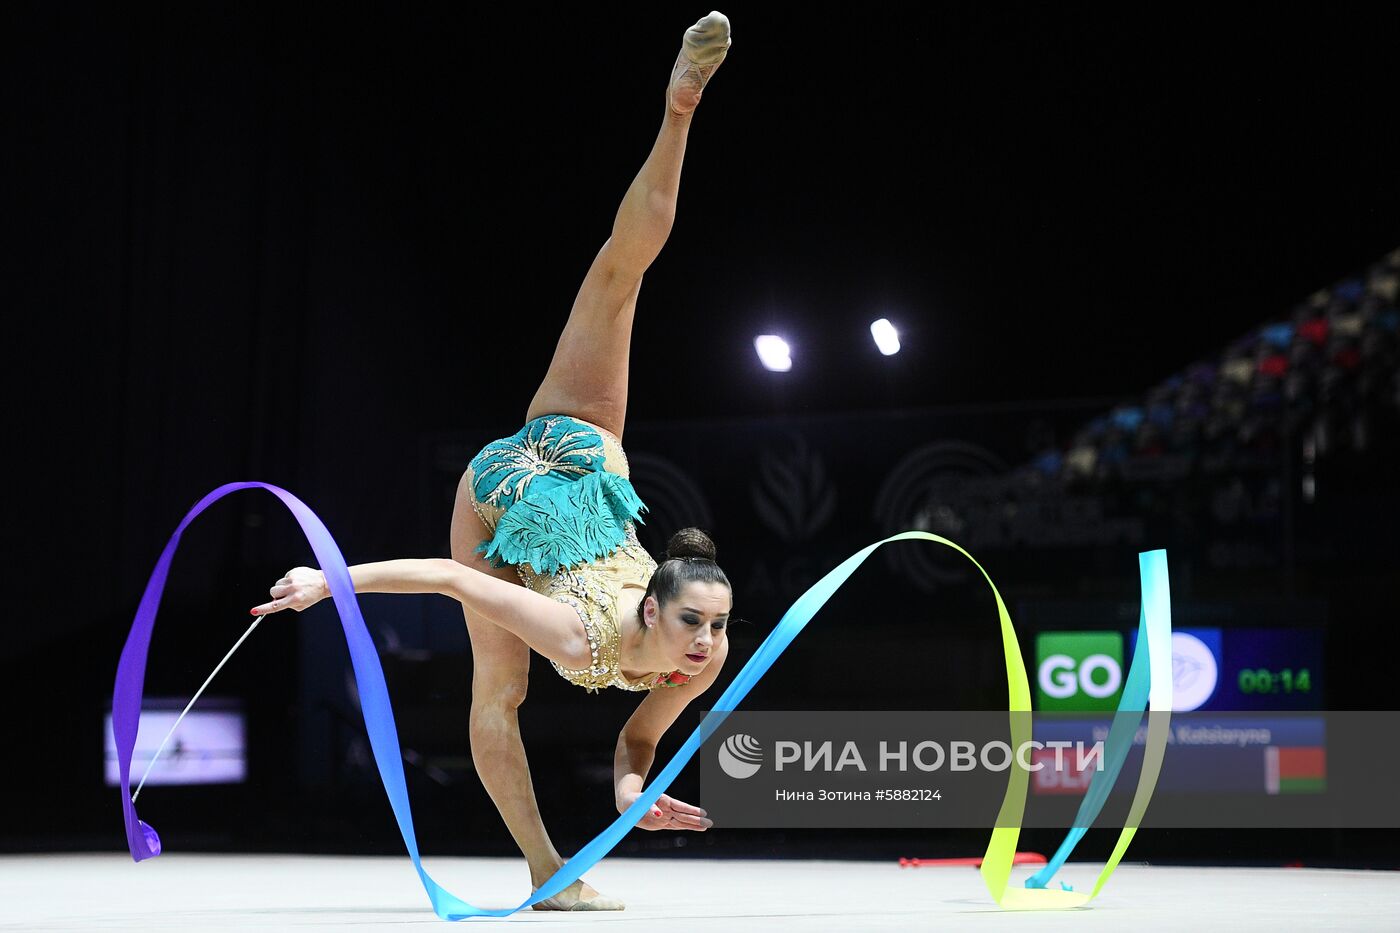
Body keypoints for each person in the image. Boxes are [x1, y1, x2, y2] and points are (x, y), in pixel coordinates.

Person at [250, 12, 735, 912]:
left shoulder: (698, 656)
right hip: (525, 476)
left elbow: (637, 745)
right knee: (499, 689)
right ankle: (682, 108)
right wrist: (329, 581)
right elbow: (449, 577)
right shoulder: (575, 637)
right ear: (656, 602)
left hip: (576, 474)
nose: (708, 644)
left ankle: (679, 100)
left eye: (713, 627)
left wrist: (632, 797)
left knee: (614, 279)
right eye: (697, 624)